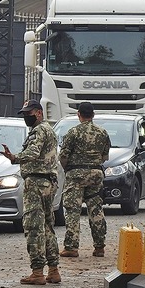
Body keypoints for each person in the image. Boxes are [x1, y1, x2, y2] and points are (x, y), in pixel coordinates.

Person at [1, 99, 60, 285]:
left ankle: (37, 272)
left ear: (39, 113)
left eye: (29, 113)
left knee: (33, 226)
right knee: (48, 227)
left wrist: (14, 157)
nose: (27, 117)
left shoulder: (39, 131)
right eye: (25, 114)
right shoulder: (48, 130)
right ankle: (53, 270)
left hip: (36, 183)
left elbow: (33, 153)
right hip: (48, 183)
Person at [59, 102, 111, 259]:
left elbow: (63, 156)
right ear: (93, 115)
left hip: (76, 174)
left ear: (78, 114)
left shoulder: (73, 132)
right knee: (96, 209)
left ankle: (71, 247)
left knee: (72, 210)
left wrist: (68, 169)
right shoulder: (102, 133)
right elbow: (105, 156)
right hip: (95, 173)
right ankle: (99, 246)